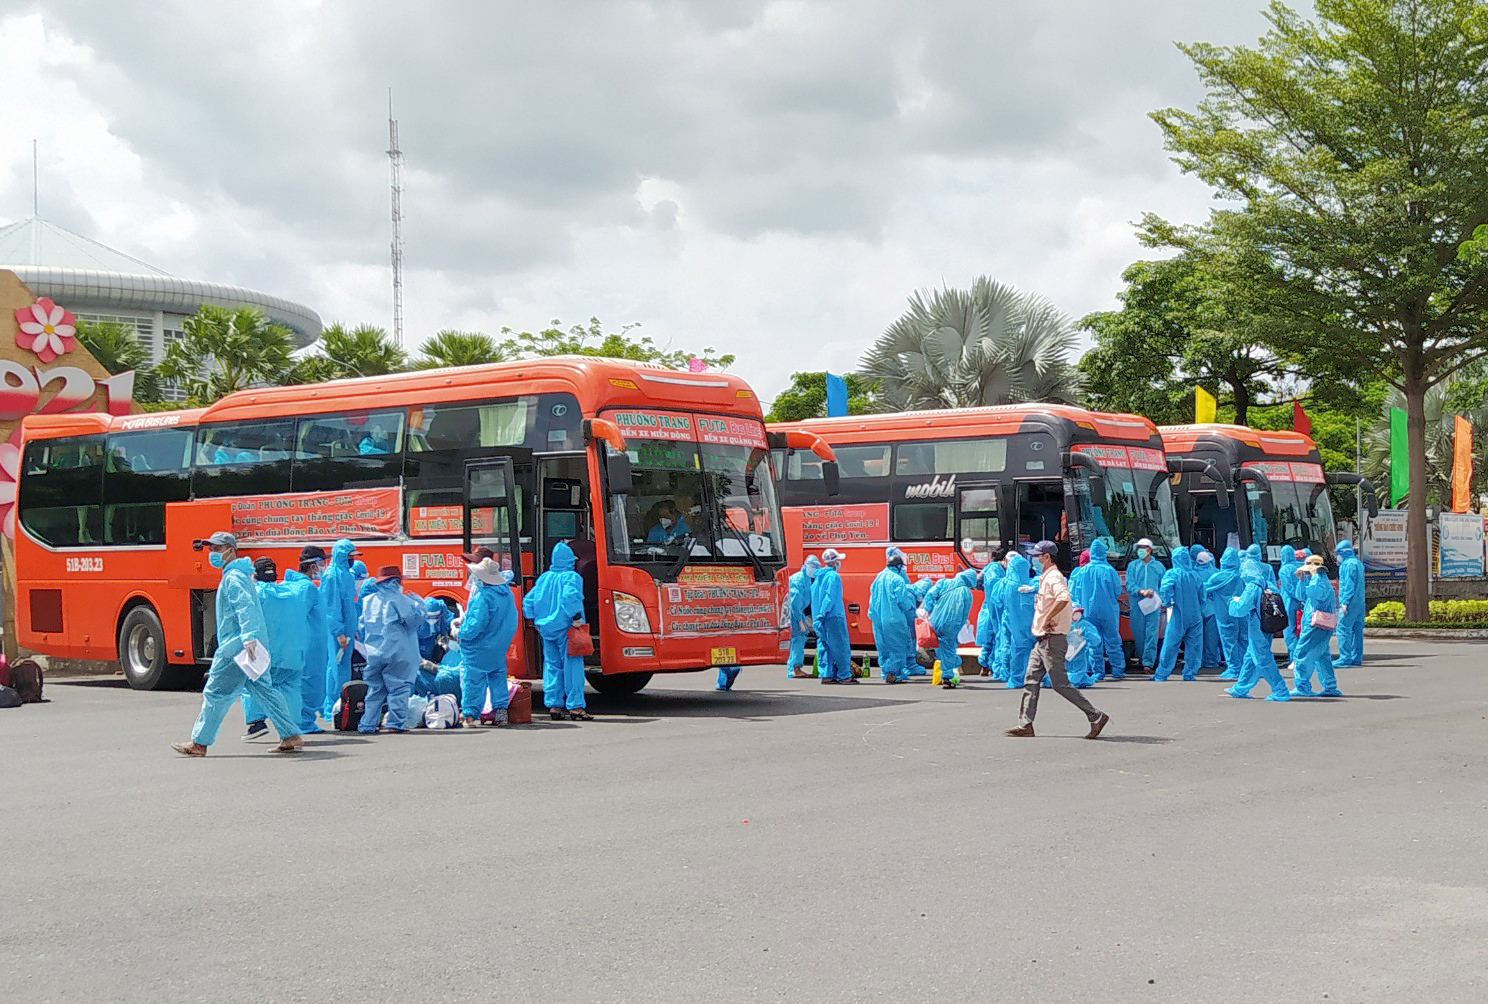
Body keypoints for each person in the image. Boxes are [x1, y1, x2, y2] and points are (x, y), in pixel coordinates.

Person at [172, 532, 302, 756]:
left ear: (230, 550)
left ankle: (199, 743)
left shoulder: (233, 577)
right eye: (210, 549)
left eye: (216, 549)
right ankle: (290, 735)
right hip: (248, 646)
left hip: (236, 646)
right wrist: (251, 637)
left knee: (215, 693)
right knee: (265, 691)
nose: (212, 554)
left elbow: (244, 606)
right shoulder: (240, 574)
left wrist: (248, 636)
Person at [1005, 541, 1110, 738]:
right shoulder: (1045, 577)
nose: (1034, 559)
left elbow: (1063, 599)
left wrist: (1047, 618)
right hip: (1043, 639)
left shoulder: (1054, 577)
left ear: (1046, 557)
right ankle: (1026, 724)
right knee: (1031, 680)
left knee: (1060, 684)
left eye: (1037, 556)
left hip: (1052, 639)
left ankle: (1095, 715)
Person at [240, 557, 315, 741]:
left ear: (254, 575)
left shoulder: (255, 594)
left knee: (252, 684)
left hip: (267, 654)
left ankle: (256, 722)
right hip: (293, 655)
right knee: (290, 689)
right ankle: (291, 730)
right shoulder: (292, 592)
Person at [523, 541, 591, 720]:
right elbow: (570, 597)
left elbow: (528, 601)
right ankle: (575, 707)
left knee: (552, 666)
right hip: (567, 627)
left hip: (546, 628)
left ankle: (554, 705)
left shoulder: (544, 578)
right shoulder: (572, 577)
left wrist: (535, 620)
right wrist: (576, 617)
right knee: (573, 666)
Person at [357, 565, 425, 733]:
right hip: (398, 652)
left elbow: (360, 627)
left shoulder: (368, 601)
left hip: (373, 653)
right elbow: (414, 620)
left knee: (375, 690)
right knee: (399, 688)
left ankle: (367, 724)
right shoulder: (400, 600)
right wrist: (421, 606)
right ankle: (395, 724)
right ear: (395, 581)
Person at [457, 554, 519, 727]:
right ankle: (501, 713)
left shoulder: (483, 597)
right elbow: (512, 620)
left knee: (473, 680)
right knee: (498, 677)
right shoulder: (507, 594)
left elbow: (475, 625)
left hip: (478, 648)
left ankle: (469, 715)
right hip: (498, 647)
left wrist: (459, 633)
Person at [1222, 555, 1292, 701]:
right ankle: (1241, 688)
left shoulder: (1252, 587)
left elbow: (1240, 609)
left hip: (1257, 627)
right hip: (1268, 625)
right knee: (1250, 657)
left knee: (1262, 659)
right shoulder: (1268, 584)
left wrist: (1232, 602)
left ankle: (1280, 690)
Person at [289, 545, 330, 734]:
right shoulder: (306, 588)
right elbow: (298, 614)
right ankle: (304, 721)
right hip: (311, 645)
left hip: (308, 642)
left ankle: (302, 719)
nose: (324, 567)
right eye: (322, 563)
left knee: (306, 682)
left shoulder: (298, 585)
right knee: (310, 683)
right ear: (312, 565)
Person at [320, 538, 360, 720]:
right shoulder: (331, 576)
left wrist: (353, 629)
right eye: (349, 556)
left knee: (341, 667)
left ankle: (338, 706)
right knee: (337, 668)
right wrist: (339, 632)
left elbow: (350, 606)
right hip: (339, 632)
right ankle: (334, 707)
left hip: (348, 630)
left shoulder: (347, 575)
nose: (352, 559)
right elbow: (330, 607)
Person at [1076, 539, 1126, 681]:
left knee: (1094, 642)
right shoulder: (1109, 570)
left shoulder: (1083, 571)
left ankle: (1098, 672)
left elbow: (1077, 592)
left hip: (1089, 610)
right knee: (1113, 641)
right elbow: (1117, 591)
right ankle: (1117, 670)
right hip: (1108, 610)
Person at [868, 546, 918, 684]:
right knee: (897, 646)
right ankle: (894, 673)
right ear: (898, 566)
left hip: (877, 619)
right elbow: (902, 600)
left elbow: (872, 598)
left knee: (883, 646)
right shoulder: (897, 580)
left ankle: (886, 672)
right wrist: (913, 609)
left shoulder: (878, 577)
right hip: (893, 618)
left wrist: (872, 614)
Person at [1153, 547, 1204, 682]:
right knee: (1194, 646)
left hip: (1178, 613)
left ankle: (1162, 673)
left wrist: (1168, 602)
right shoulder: (1195, 575)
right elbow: (1202, 596)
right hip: (1195, 614)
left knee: (1171, 644)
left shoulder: (1172, 574)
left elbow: (1165, 589)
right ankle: (1190, 672)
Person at [928, 568, 977, 689]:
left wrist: (928, 610)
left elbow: (930, 595)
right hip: (951, 624)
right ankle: (948, 676)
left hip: (935, 620)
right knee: (949, 649)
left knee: (941, 647)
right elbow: (965, 613)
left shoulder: (943, 583)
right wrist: (961, 625)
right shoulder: (966, 592)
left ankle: (949, 666)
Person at [812, 548, 853, 684]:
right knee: (840, 646)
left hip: (819, 618)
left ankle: (826, 674)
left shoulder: (818, 577)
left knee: (824, 646)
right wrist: (824, 612)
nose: (839, 563)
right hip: (833, 616)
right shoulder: (833, 576)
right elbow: (829, 597)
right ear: (834, 562)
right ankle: (844, 675)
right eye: (838, 560)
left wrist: (819, 615)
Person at [1125, 538, 1165, 673]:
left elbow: (1164, 585)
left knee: (1152, 633)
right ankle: (1142, 658)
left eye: (1143, 547)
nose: (1140, 550)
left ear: (1149, 549)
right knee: (1138, 633)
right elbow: (1129, 585)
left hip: (1154, 605)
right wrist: (1141, 591)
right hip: (1137, 604)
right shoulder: (1133, 566)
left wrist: (1161, 598)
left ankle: (1148, 663)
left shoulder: (1158, 567)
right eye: (1139, 547)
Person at [1207, 547, 1246, 680]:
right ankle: (1246, 668)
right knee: (1244, 640)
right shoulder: (1243, 576)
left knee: (1229, 641)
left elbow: (1205, 590)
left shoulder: (1217, 577)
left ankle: (1234, 668)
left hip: (1224, 614)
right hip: (1243, 613)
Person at [784, 555, 821, 679]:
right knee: (797, 639)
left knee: (799, 639)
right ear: (806, 566)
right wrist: (800, 619)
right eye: (813, 566)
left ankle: (795, 668)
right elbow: (795, 601)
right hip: (794, 614)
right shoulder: (799, 580)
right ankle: (795, 669)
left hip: (799, 613)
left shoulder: (809, 579)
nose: (815, 569)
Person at [1333, 539, 1366, 669]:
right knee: (1357, 630)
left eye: (1338, 554)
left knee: (1343, 629)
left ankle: (1344, 658)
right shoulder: (1358, 563)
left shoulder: (1347, 565)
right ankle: (1356, 657)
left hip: (1350, 602)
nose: (1337, 557)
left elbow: (1348, 585)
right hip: (1359, 602)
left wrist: (1344, 602)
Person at [975, 551, 1007, 678]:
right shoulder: (997, 569)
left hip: (988, 605)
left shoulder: (986, 569)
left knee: (989, 638)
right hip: (996, 606)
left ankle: (985, 665)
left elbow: (978, 584)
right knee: (996, 637)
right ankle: (992, 666)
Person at [1191, 545, 1222, 671]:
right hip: (1212, 609)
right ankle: (1211, 661)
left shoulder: (1191, 573)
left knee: (1195, 638)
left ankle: (1195, 661)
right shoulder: (1216, 573)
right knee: (1212, 638)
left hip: (1196, 609)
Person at [1065, 606, 1102, 688]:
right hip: (1066, 652)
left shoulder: (1085, 625)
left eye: (1078, 614)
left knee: (1079, 667)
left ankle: (1072, 681)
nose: (1076, 616)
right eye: (1074, 613)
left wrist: (1084, 632)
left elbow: (1096, 640)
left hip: (1080, 653)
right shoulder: (1064, 623)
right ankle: (1078, 680)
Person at [1279, 547, 1304, 661]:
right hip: (1300, 602)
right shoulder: (1300, 566)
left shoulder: (1284, 570)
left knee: (1289, 631)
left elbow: (1288, 588)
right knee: (1299, 630)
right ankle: (1299, 656)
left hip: (1288, 602)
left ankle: (1294, 658)